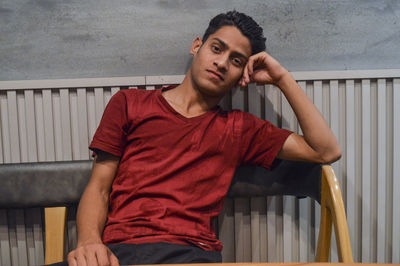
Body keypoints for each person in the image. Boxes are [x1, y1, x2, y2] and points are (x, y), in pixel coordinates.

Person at [66, 10, 341, 266]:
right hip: (119, 251)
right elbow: (99, 186)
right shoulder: (129, 103)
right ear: (197, 46)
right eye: (217, 48)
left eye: (236, 61)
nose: (221, 63)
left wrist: (282, 78)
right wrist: (89, 242)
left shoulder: (239, 128)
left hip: (190, 253)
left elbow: (325, 151)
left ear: (242, 74)